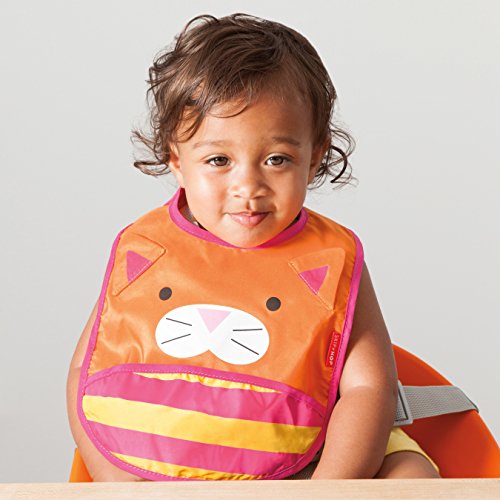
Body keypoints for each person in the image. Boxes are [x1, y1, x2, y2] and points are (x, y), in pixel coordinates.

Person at [66, 13, 440, 481]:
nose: (249, 186)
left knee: (411, 474)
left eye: (277, 159)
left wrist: (325, 490)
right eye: (219, 160)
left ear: (314, 158)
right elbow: (87, 371)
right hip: (164, 459)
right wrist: (120, 484)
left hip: (316, 457)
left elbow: (369, 389)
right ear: (177, 161)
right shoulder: (150, 249)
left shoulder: (327, 259)